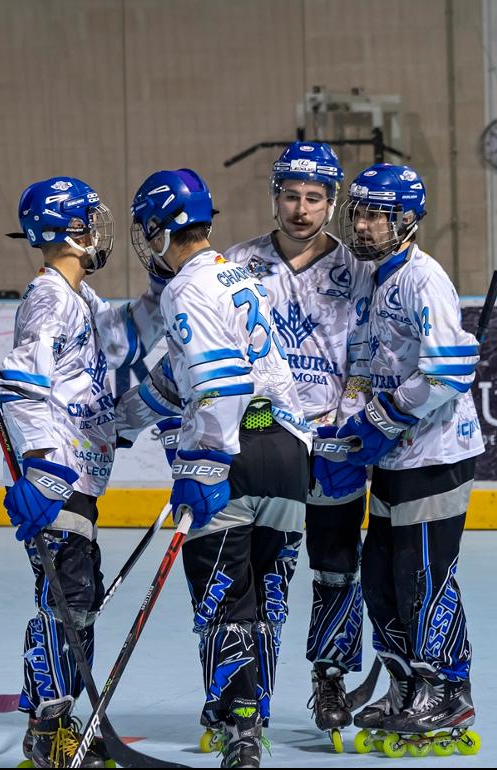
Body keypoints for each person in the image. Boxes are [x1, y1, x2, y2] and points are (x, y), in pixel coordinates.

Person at [119, 168, 311, 768]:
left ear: (160, 229)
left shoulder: (183, 290)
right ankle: (247, 711)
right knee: (266, 596)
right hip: (286, 451)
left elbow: (220, 381)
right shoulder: (237, 274)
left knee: (225, 601)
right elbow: (183, 376)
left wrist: (204, 463)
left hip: (233, 454)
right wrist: (121, 422)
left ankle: (239, 727)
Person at [0, 176, 163, 768]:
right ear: (68, 231)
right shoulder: (49, 298)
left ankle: (56, 719)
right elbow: (20, 383)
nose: (98, 230)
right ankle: (48, 732)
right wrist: (41, 464)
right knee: (63, 604)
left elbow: (123, 337)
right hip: (60, 479)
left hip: (81, 479)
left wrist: (164, 290)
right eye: (89, 221)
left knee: (79, 602)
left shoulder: (80, 298)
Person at [318, 163, 485, 745]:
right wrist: (348, 428)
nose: (363, 225)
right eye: (359, 213)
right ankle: (405, 683)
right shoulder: (372, 279)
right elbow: (366, 367)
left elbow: (446, 373)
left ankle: (448, 690)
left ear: (407, 220)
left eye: (376, 215)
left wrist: (382, 419)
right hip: (393, 458)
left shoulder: (424, 279)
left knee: (423, 576)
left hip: (436, 454)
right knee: (381, 578)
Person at [219, 142, 376, 744]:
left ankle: (330, 677)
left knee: (337, 565)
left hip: (334, 440)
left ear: (331, 204)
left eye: (314, 198)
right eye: (291, 196)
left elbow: (368, 354)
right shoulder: (237, 264)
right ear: (275, 197)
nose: (301, 209)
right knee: (262, 571)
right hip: (267, 436)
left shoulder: (358, 269)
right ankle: (243, 692)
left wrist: (350, 421)